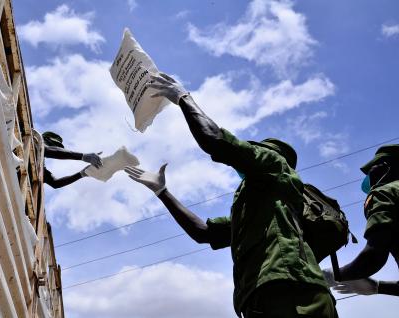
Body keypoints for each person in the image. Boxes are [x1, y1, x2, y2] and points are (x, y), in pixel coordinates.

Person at [124, 73, 338, 317]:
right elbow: (203, 233)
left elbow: (215, 140)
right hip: (266, 296)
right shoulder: (257, 205)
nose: (246, 154)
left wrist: (183, 98)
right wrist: (163, 192)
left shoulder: (275, 164)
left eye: (252, 150)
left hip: (289, 291)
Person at [323, 145, 399, 297]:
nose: (368, 177)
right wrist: (377, 287)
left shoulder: (386, 192)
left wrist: (335, 276)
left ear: (386, 166)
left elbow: (374, 255)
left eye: (371, 169)